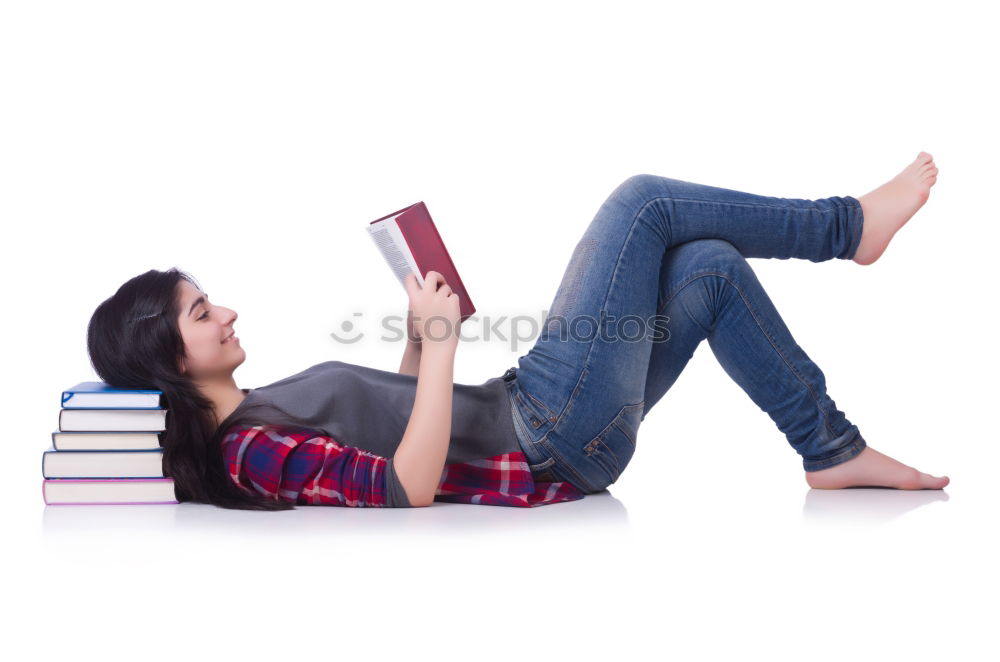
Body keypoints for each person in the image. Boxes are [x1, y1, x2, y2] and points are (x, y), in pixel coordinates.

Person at [86, 151, 947, 511]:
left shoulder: (259, 408)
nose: (227, 312)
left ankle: (829, 448)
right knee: (642, 201)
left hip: (528, 412)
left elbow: (383, 431)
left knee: (709, 268)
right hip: (543, 439)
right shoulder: (246, 451)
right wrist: (445, 350)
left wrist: (423, 343)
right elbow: (401, 490)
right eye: (204, 315)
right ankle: (847, 229)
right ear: (168, 359)